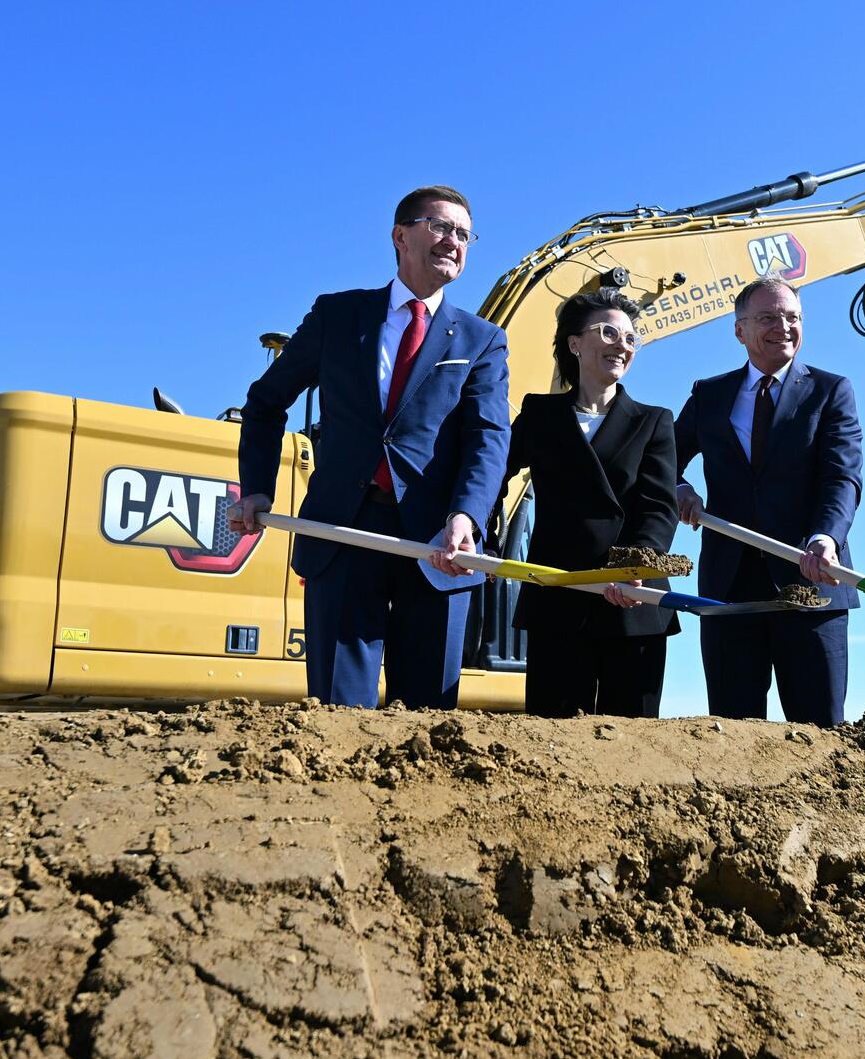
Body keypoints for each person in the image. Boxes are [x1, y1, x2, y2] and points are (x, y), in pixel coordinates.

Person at [227, 186, 509, 709]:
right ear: (400, 235)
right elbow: (265, 403)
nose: (454, 242)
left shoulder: (481, 340)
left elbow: (487, 438)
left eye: (465, 235)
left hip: (437, 545)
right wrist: (257, 489)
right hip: (342, 531)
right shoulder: (337, 317)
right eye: (441, 227)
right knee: (338, 709)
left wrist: (466, 517)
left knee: (426, 717)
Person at [673, 276, 862, 727]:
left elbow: (844, 476)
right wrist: (678, 488)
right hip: (730, 591)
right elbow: (661, 460)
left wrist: (826, 538)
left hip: (812, 584)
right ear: (740, 331)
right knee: (734, 732)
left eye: (792, 317)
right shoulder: (709, 395)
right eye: (768, 318)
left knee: (821, 734)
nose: (783, 326)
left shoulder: (830, 391)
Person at [503, 290, 680, 717]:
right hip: (559, 595)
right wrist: (477, 530)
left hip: (632, 600)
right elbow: (493, 474)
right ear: (575, 343)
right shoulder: (540, 415)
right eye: (609, 332)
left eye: (631, 338)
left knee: (632, 746)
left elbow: (659, 505)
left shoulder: (654, 421)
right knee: (554, 742)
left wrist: (636, 568)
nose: (623, 345)